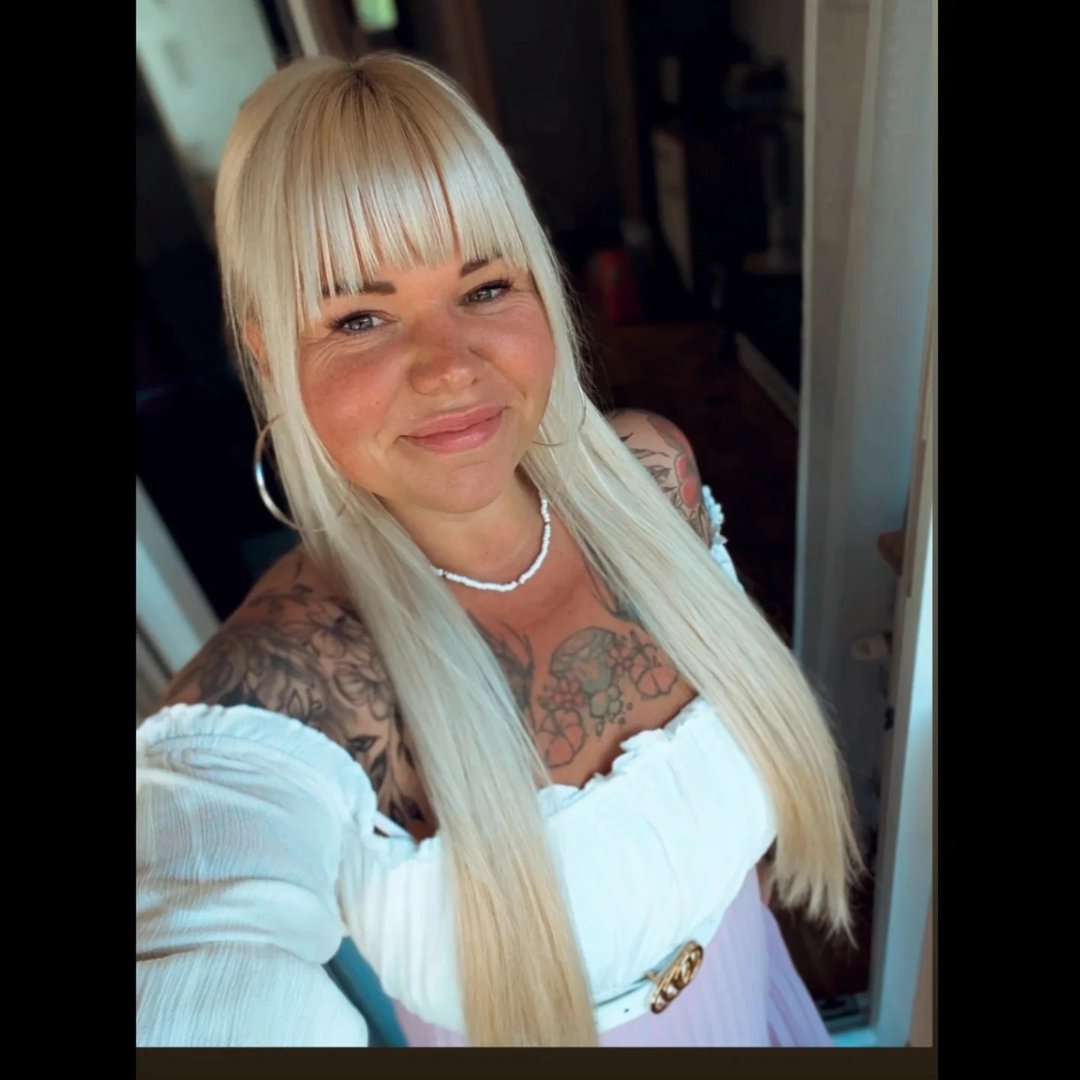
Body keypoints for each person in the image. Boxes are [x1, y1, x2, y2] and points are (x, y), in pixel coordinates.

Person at [136, 52, 862, 1048]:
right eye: (360, 317)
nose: (449, 367)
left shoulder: (654, 477)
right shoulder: (297, 682)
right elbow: (199, 957)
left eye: (483, 287)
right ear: (269, 351)